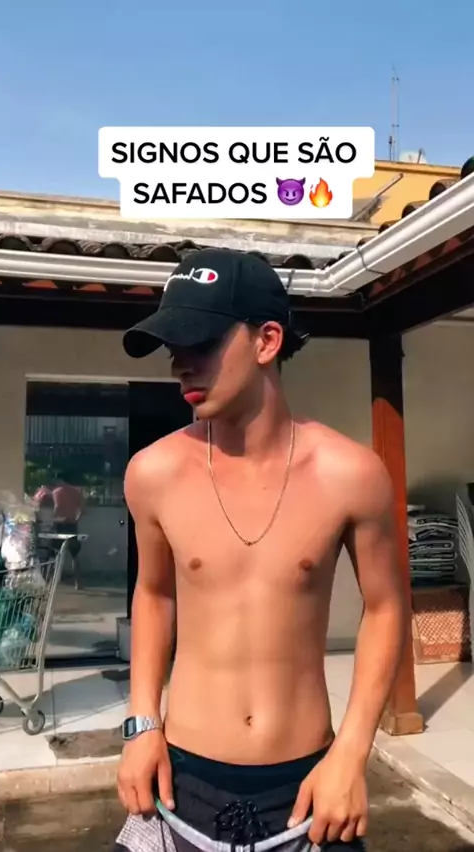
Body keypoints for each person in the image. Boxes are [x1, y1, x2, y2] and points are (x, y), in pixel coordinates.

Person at [114, 249, 407, 852]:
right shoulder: (154, 472)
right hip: (179, 784)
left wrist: (352, 753)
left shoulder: (350, 473)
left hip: (309, 790)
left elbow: (386, 608)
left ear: (267, 340)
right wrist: (140, 727)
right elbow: (154, 594)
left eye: (199, 343)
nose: (180, 366)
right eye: (173, 348)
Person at [52, 470, 84, 589]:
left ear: (60, 480)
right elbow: (82, 509)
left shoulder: (57, 492)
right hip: (72, 524)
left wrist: (53, 518)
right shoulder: (76, 492)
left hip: (60, 524)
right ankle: (78, 583)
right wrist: (76, 519)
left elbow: (57, 507)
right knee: (75, 554)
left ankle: (56, 581)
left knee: (57, 553)